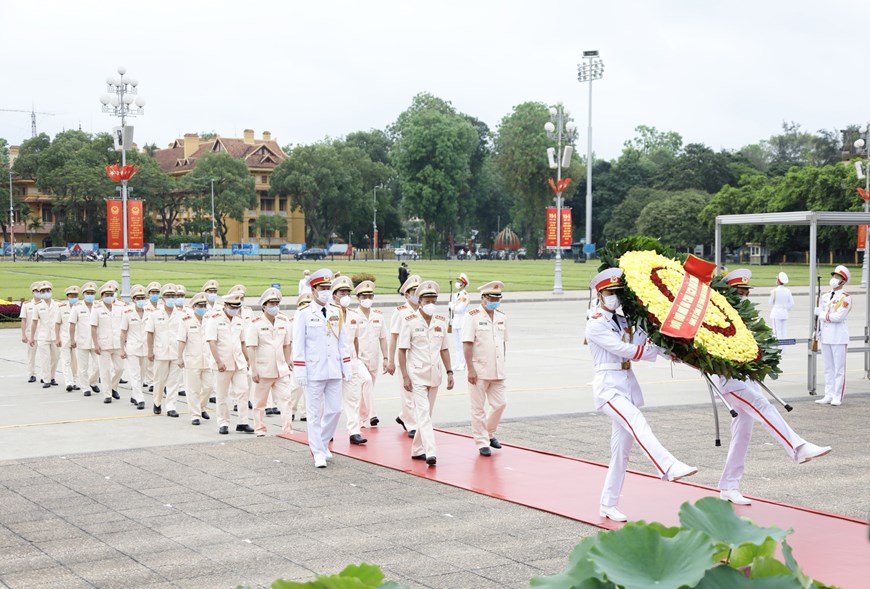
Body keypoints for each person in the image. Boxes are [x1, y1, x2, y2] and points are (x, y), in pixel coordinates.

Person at [585, 268, 697, 522]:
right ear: (599, 295)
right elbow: (625, 349)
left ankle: (608, 504)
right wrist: (652, 352)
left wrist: (673, 353)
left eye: (618, 293)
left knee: (621, 453)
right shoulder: (595, 324)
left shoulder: (624, 321)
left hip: (625, 385)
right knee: (637, 421)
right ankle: (667, 466)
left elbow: (646, 340)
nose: (614, 297)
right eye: (610, 293)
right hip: (608, 388)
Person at [711, 269, 831, 505]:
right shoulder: (717, 315)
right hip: (727, 379)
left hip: (743, 375)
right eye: (741, 291)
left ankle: (729, 486)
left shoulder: (740, 315)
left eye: (746, 291)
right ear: (729, 293)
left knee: (742, 435)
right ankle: (797, 448)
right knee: (762, 405)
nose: (745, 295)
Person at [291, 269, 351, 468]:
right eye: (322, 288)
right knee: (314, 413)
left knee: (335, 410)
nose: (326, 292)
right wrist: (300, 370)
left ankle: (323, 442)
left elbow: (343, 341)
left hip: (334, 367)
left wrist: (346, 365)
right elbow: (298, 344)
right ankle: (317, 451)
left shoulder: (336, 311)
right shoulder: (304, 314)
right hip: (314, 370)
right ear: (313, 290)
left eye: (328, 288)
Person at [398, 280, 453, 466]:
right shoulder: (410, 322)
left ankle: (417, 449)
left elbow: (444, 349)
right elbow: (402, 350)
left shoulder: (441, 321)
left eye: (433, 300)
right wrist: (405, 376)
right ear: (419, 301)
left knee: (427, 414)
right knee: (423, 415)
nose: (430, 304)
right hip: (416, 375)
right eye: (427, 300)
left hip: (435, 374)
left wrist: (450, 371)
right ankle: (431, 451)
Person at [462, 280, 508, 457]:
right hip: (479, 369)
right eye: (491, 297)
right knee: (478, 408)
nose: (495, 300)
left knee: (500, 404)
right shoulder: (472, 316)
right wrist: (470, 369)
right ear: (483, 298)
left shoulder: (502, 316)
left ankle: (488, 432)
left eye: (498, 297)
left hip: (498, 370)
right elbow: (467, 344)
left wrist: (503, 362)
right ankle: (482, 442)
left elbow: (502, 344)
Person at [246, 288, 294, 437]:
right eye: (271, 303)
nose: (275, 306)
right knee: (260, 402)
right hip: (263, 369)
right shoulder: (255, 323)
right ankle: (259, 428)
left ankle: (287, 429)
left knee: (286, 400)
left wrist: (288, 361)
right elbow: (251, 347)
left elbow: (286, 344)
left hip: (281, 368)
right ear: (264, 306)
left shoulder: (283, 321)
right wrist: (253, 369)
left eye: (276, 303)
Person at [206, 290, 254, 434]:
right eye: (232, 307)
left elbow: (243, 342)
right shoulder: (214, 319)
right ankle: (223, 423)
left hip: (238, 362)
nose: (234, 309)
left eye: (237, 307)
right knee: (222, 395)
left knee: (243, 391)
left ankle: (243, 422)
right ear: (225, 306)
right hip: (223, 364)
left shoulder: (239, 320)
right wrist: (218, 361)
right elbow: (212, 342)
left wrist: (248, 359)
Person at [330, 275, 370, 445]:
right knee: (331, 400)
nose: (345, 295)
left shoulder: (354, 315)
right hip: (333, 361)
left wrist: (356, 358)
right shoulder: (328, 314)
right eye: (342, 292)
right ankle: (327, 430)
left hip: (351, 361)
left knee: (352, 397)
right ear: (334, 295)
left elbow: (355, 339)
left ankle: (354, 431)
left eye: (348, 292)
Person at [388, 274, 423, 437]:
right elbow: (393, 336)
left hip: (420, 357)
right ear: (406, 294)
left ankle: (404, 417)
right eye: (413, 291)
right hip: (405, 356)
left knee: (419, 393)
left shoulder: (423, 310)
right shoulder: (400, 312)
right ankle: (411, 424)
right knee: (407, 391)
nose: (416, 294)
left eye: (418, 291)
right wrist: (390, 360)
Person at [815, 265, 852, 406]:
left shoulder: (846, 298)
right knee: (828, 368)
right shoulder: (824, 296)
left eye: (837, 277)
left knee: (839, 369)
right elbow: (820, 319)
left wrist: (822, 314)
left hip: (838, 336)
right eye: (834, 276)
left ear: (843, 281)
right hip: (825, 335)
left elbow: (838, 317)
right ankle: (828, 394)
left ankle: (837, 396)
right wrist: (817, 332)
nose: (834, 279)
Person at [353, 280, 388, 428]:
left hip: (374, 359)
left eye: (369, 296)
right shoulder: (353, 315)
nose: (367, 299)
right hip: (358, 358)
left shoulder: (378, 316)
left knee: (365, 390)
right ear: (358, 298)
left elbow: (383, 338)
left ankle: (361, 420)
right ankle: (372, 414)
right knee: (365, 382)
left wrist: (386, 357)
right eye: (364, 296)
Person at [146, 283, 183, 417]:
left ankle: (171, 406)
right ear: (163, 298)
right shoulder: (155, 314)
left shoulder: (181, 314)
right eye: (168, 296)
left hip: (175, 352)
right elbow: (150, 333)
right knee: (159, 380)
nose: (171, 298)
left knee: (174, 381)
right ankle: (157, 402)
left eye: (173, 296)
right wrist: (150, 351)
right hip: (160, 352)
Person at [177, 292, 214, 426]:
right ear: (194, 307)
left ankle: (201, 406)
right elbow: (181, 340)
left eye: (204, 305)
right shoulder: (186, 321)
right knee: (193, 389)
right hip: (192, 359)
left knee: (209, 387)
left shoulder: (210, 320)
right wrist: (179, 357)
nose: (203, 307)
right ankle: (195, 414)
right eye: (200, 305)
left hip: (207, 359)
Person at [90, 283, 124, 403]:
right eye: (107, 295)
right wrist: (96, 344)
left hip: (117, 344)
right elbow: (93, 327)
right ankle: (107, 394)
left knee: (120, 369)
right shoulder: (97, 309)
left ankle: (113, 387)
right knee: (105, 371)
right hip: (103, 344)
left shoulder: (119, 308)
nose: (110, 297)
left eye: (111, 294)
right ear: (102, 296)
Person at [120, 285, 151, 410]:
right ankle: (140, 398)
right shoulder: (127, 312)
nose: (141, 300)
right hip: (132, 347)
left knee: (142, 374)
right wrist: (122, 348)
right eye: (138, 298)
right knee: (135, 374)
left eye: (143, 297)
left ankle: (134, 395)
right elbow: (123, 332)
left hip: (145, 348)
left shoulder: (150, 312)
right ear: (133, 300)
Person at [69, 282, 100, 396]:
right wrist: (72, 339)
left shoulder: (98, 306)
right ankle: (85, 387)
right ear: (83, 294)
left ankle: (92, 381)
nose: (90, 295)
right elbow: (72, 324)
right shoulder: (77, 307)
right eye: (88, 293)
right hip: (82, 340)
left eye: (92, 293)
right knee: (83, 367)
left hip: (96, 340)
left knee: (99, 366)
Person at [30, 281, 60, 388]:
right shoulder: (37, 306)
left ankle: (52, 377)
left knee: (55, 358)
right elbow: (34, 322)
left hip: (55, 336)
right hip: (43, 336)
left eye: (48, 290)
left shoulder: (57, 304)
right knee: (45, 358)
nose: (46, 293)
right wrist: (32, 337)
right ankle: (47, 379)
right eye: (43, 291)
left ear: (51, 291)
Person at [56, 285, 80, 392]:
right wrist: (57, 337)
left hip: (77, 338)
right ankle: (68, 383)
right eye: (72, 295)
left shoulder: (80, 307)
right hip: (65, 338)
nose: (74, 297)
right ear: (67, 296)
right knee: (66, 361)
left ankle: (74, 381)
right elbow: (57, 324)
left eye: (75, 295)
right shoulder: (61, 308)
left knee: (75, 362)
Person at [19, 282, 41, 383]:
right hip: (31, 334)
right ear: (32, 292)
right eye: (36, 291)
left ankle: (47, 375)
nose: (38, 293)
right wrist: (23, 334)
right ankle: (31, 374)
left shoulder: (45, 304)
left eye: (39, 291)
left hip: (44, 334)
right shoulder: (27, 304)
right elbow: (23, 320)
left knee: (46, 356)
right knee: (31, 356)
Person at [449, 273, 470, 371]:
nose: (457, 283)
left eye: (459, 282)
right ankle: (457, 363)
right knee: (457, 345)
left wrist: (452, 306)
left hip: (462, 321)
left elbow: (459, 309)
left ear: (463, 284)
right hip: (455, 321)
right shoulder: (455, 295)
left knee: (462, 345)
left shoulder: (465, 295)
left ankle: (463, 363)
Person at [768, 271, 794, 345]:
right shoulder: (788, 291)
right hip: (784, 313)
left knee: (776, 331)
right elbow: (792, 303)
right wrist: (786, 308)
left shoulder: (774, 291)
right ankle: (784, 348)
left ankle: (778, 348)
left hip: (776, 313)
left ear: (778, 281)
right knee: (784, 331)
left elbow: (770, 302)